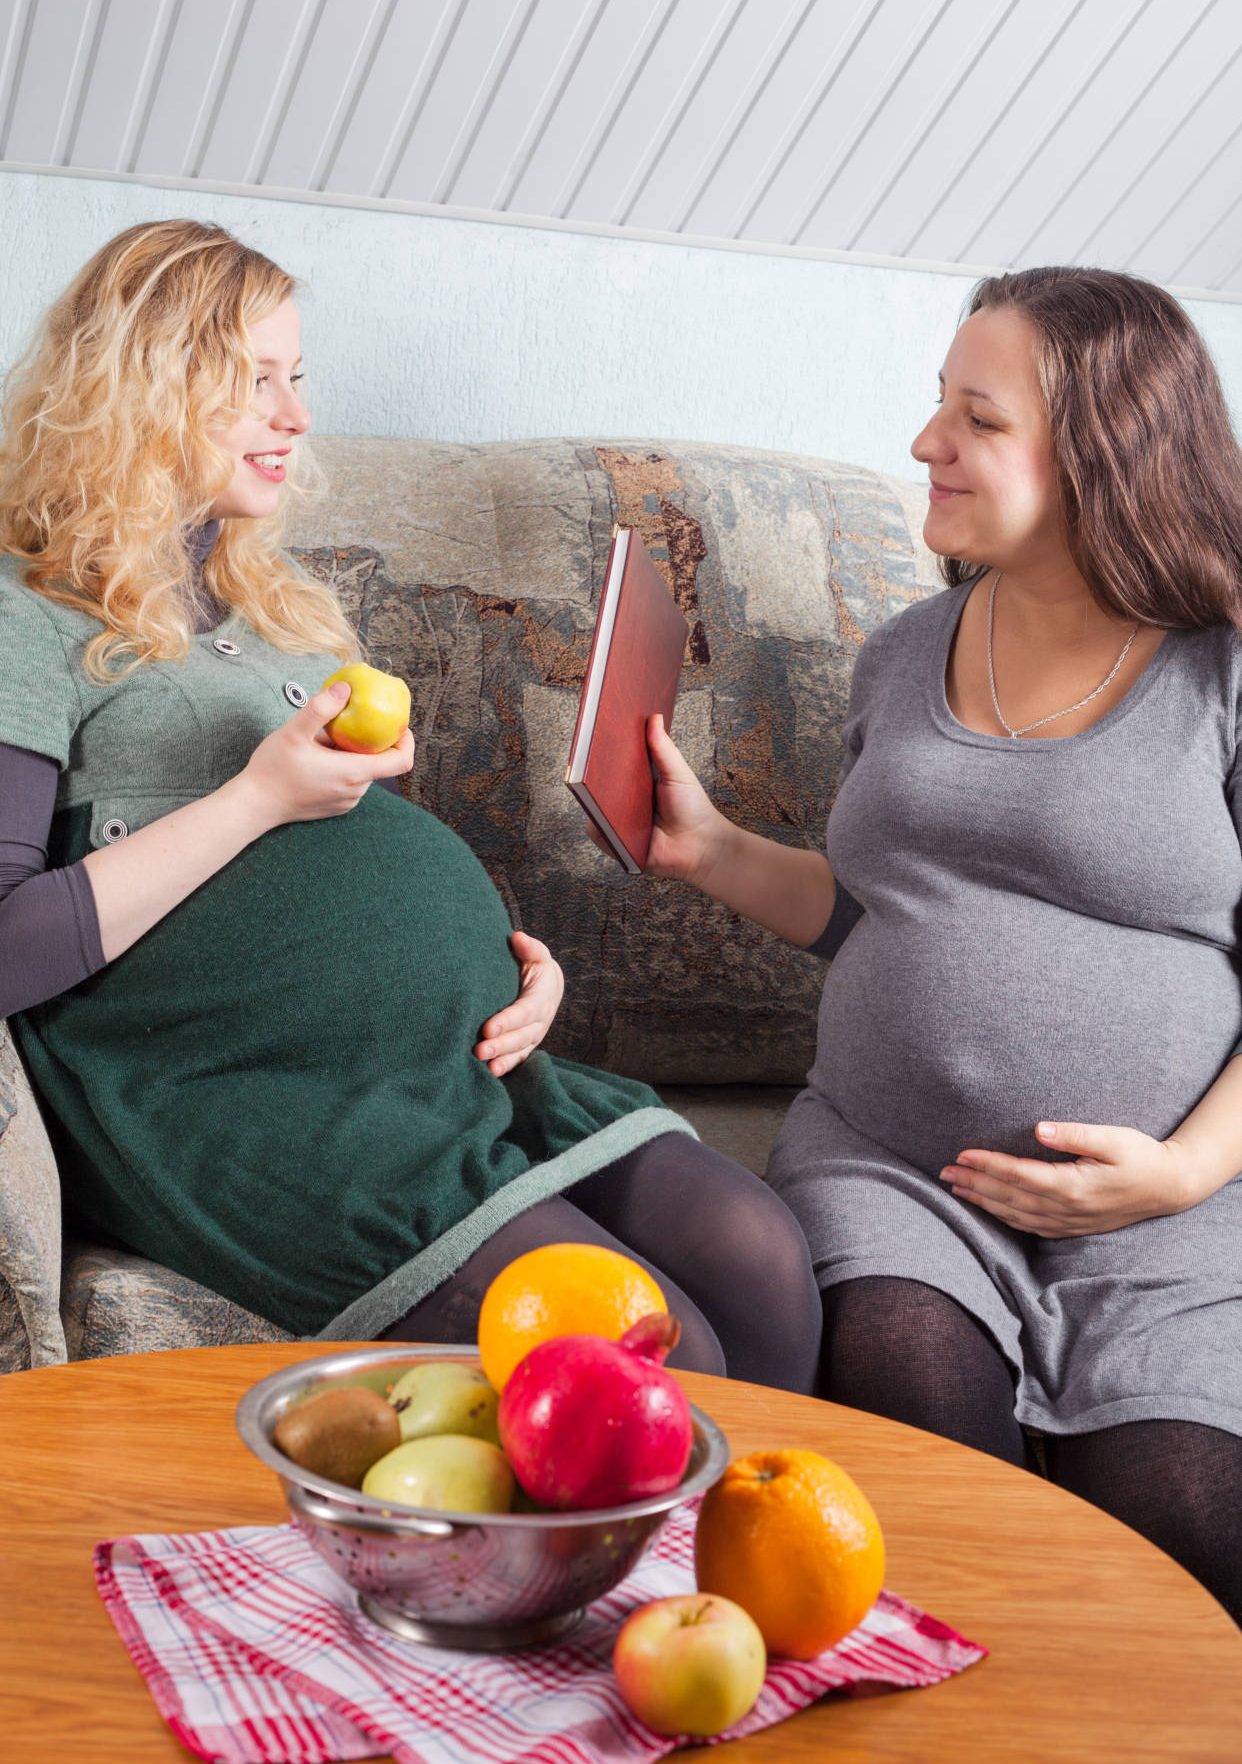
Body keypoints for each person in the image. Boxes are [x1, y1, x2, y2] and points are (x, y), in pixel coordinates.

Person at [0, 218, 821, 1393]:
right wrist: (254, 799)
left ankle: (740, 1567)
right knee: (653, 1347)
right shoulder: (27, 614)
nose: (296, 415)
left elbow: (369, 872)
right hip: (270, 1106)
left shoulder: (276, 605)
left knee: (765, 1257)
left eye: (298, 378)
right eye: (254, 383)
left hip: (464, 1068)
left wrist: (516, 973)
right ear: (138, 390)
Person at [629, 266, 1242, 1623]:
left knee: (1189, 1526)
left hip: (1173, 1214)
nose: (924, 444)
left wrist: (1181, 1166)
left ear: (1101, 451)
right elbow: (879, 911)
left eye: (975, 416)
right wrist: (713, 849)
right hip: (897, 1167)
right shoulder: (902, 653)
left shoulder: (1222, 671)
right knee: (924, 1460)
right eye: (933, 405)